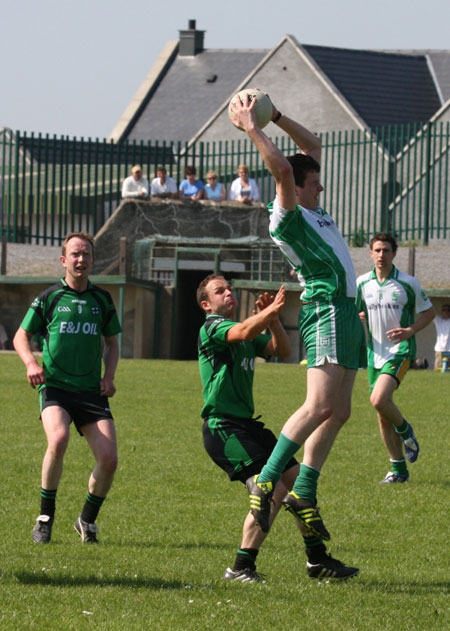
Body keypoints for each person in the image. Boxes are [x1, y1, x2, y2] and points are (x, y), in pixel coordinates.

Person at [228, 92, 365, 579]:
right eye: (317, 184)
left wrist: (277, 115)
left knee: (341, 410)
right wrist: (251, 127)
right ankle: (268, 482)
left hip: (348, 312)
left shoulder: (315, 206)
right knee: (318, 406)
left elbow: (312, 145)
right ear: (302, 187)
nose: (321, 187)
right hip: (326, 308)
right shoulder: (288, 213)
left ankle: (303, 487)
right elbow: (285, 170)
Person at [197, 275, 355, 581]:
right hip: (223, 428)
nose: (228, 292)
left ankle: (317, 559)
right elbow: (243, 331)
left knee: (297, 485)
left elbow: (280, 350)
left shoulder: (243, 330)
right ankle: (241, 567)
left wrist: (273, 320)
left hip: (249, 426)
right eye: (220, 291)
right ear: (206, 305)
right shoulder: (212, 327)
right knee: (273, 489)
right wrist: (268, 312)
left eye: (230, 288)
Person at [13, 232, 122, 544]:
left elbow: (112, 343)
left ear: (92, 261)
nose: (81, 260)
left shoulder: (101, 300)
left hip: (90, 390)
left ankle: (86, 520)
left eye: (86, 255)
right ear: (63, 260)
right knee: (58, 439)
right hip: (56, 387)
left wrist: (109, 376)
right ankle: (45, 517)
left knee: (109, 459)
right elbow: (21, 336)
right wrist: (31, 364)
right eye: (75, 254)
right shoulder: (48, 298)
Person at [356, 233, 435, 483]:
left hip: (399, 352)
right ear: (370, 254)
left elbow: (429, 312)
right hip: (374, 354)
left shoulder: (408, 283)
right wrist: (359, 319)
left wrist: (410, 330)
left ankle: (406, 430)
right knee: (382, 412)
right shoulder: (362, 284)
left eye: (386, 250)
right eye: (377, 250)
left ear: (394, 253)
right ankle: (399, 471)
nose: (381, 255)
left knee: (378, 399)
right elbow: (355, 311)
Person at [433, 303, 450, 370]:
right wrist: (428, 301)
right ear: (441, 311)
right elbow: (431, 313)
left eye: (448, 310)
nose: (446, 312)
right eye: (444, 310)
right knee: (437, 370)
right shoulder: (438, 320)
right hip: (439, 350)